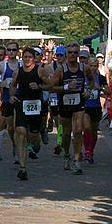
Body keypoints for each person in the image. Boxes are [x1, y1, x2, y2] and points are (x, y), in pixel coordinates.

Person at [48, 43, 94, 175]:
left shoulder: (84, 68)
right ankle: (67, 154)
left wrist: (88, 90)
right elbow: (51, 87)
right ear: (66, 54)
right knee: (67, 133)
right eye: (70, 52)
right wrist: (66, 87)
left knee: (78, 131)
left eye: (75, 52)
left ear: (78, 54)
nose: (73, 55)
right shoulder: (61, 70)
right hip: (65, 104)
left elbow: (91, 80)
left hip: (79, 103)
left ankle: (77, 159)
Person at [9, 47, 43, 180]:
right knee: (21, 132)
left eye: (30, 57)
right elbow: (13, 85)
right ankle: (22, 168)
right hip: (21, 103)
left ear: (34, 58)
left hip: (35, 105)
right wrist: (12, 96)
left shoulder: (40, 70)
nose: (27, 59)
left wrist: (39, 86)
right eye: (25, 57)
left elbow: (50, 85)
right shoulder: (18, 71)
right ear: (22, 58)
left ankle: (37, 141)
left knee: (33, 136)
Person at [0, 42, 19, 162]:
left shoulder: (22, 64)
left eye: (13, 50)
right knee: (10, 127)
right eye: (9, 50)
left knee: (18, 126)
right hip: (6, 99)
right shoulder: (1, 65)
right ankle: (15, 144)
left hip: (19, 99)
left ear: (17, 51)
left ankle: (18, 148)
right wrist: (0, 83)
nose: (11, 52)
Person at [83, 55, 107, 163]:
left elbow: (109, 91)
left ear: (97, 66)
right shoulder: (83, 76)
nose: (92, 68)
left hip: (96, 107)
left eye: (94, 66)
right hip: (85, 107)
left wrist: (100, 88)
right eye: (91, 65)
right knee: (86, 128)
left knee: (93, 131)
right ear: (87, 66)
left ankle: (91, 151)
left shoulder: (101, 77)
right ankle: (87, 151)